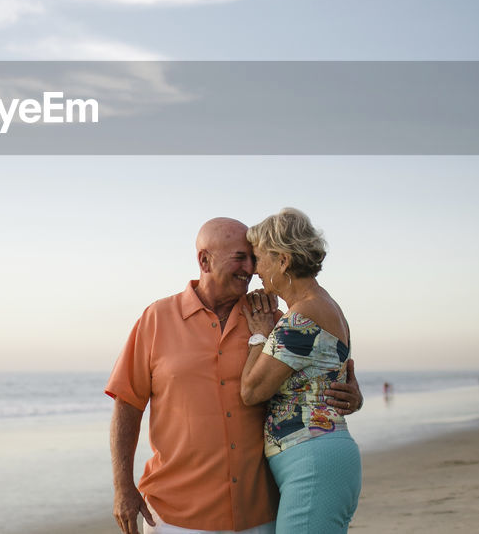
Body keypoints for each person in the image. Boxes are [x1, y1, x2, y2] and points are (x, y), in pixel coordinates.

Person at [106, 217, 363, 534]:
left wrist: (348, 393)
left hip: (259, 514)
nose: (251, 268)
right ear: (205, 260)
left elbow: (316, 366)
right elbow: (127, 403)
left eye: (254, 258)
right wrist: (122, 486)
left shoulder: (271, 319)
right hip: (175, 516)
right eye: (240, 257)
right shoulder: (156, 319)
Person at [240, 208, 362, 533]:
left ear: (282, 260)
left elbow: (252, 391)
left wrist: (259, 333)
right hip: (320, 455)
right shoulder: (325, 305)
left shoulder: (302, 316)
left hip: (312, 460)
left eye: (258, 259)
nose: (254, 270)